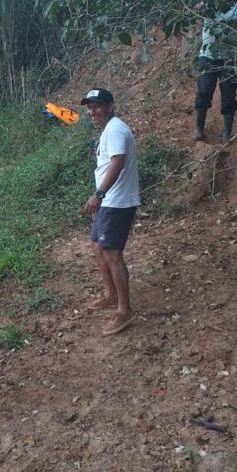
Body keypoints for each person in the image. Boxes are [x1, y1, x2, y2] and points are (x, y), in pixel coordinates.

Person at [81, 88, 141, 336]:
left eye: (97, 106)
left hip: (116, 201)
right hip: (110, 200)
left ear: (110, 107)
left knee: (111, 253)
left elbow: (117, 162)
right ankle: (110, 294)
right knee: (97, 245)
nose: (92, 111)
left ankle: (124, 311)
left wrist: (99, 194)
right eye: (89, 107)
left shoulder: (115, 129)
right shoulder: (110, 129)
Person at [193, 0, 237, 142]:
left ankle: (227, 132)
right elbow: (193, 9)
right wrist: (199, 8)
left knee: (229, 94)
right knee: (204, 90)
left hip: (230, 58)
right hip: (208, 56)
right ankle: (199, 127)